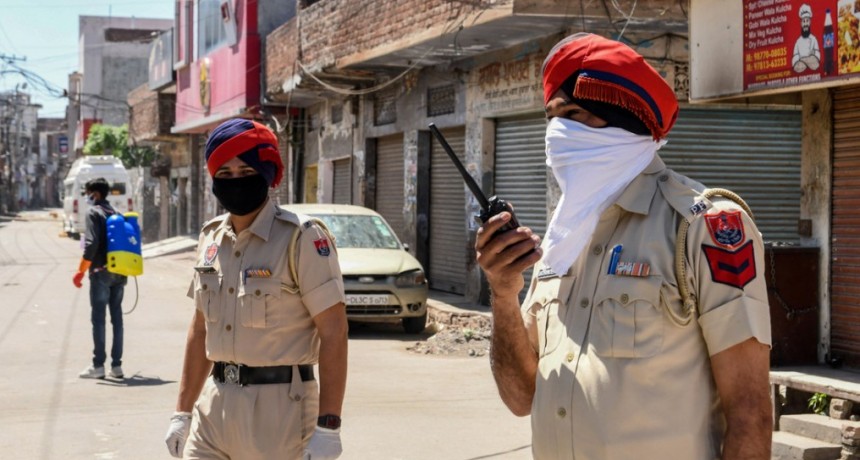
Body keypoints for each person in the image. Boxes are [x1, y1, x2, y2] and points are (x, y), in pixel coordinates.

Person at [475, 33, 772, 460]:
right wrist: (503, 295)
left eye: (574, 114)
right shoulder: (561, 241)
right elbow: (520, 398)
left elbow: (750, 413)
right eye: (552, 119)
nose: (558, 134)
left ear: (622, 119)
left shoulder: (703, 226)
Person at [164, 119, 348, 459]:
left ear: (267, 173)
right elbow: (200, 328)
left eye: (245, 170)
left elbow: (334, 331)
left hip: (280, 414)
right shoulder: (210, 237)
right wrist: (182, 411)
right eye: (225, 173)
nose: (235, 181)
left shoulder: (301, 237)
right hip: (214, 407)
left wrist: (328, 426)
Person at [73, 177, 126, 380]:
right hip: (120, 272)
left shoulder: (94, 212)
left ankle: (98, 366)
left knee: (99, 320)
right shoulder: (117, 214)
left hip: (100, 273)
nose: (87, 197)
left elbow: (92, 243)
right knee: (117, 320)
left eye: (88, 193)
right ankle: (117, 366)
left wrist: (80, 271)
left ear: (95, 193)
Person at [792, 4, 821, 73]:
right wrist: (804, 61)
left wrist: (804, 60)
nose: (805, 24)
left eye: (807, 21)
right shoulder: (798, 42)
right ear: (801, 23)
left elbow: (817, 55)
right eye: (804, 21)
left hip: (813, 66)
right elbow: (795, 58)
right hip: (800, 69)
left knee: (814, 63)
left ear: (810, 22)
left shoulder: (813, 39)